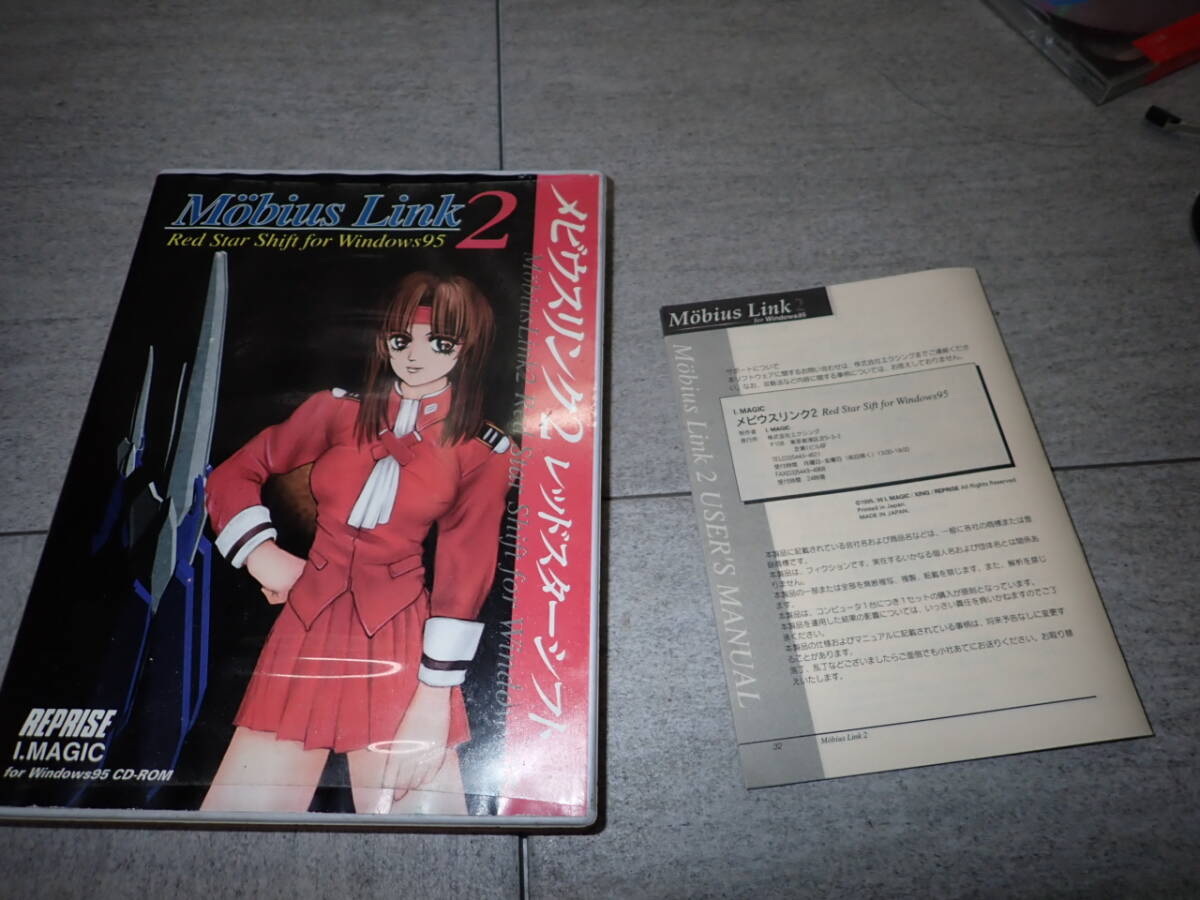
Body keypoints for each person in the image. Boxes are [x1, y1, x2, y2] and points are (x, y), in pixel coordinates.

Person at [200, 271, 510, 815]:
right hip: (307, 622)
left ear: (467, 348)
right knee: (237, 814)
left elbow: (465, 570)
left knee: (425, 829)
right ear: (383, 341)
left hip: (400, 635)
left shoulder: (480, 448)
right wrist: (264, 557)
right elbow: (232, 473)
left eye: (440, 343)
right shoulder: (336, 411)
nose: (416, 356)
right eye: (401, 340)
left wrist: (434, 694)